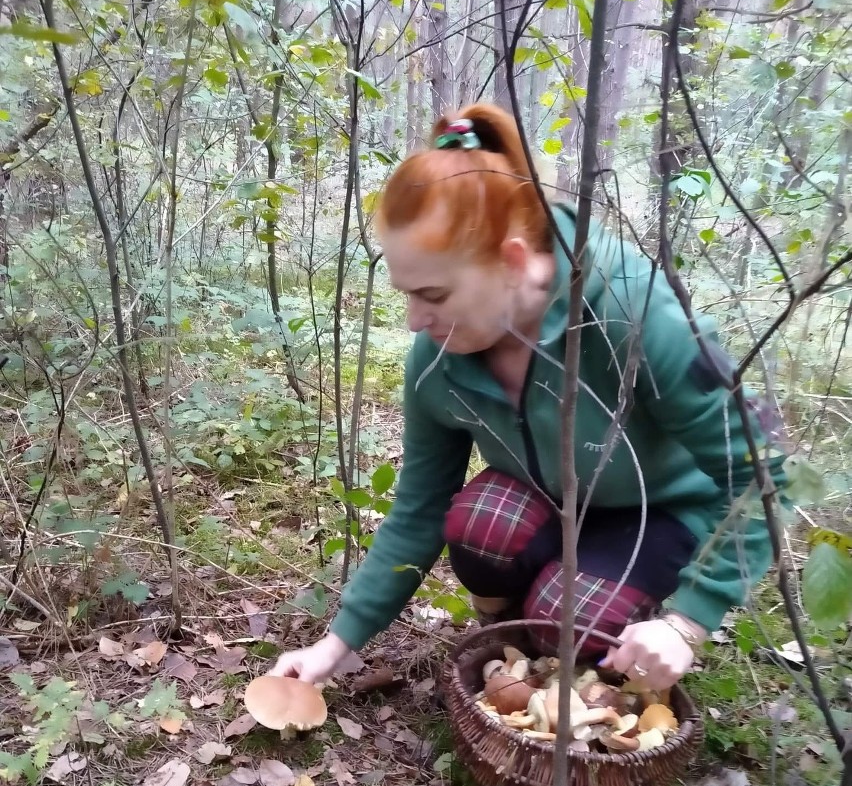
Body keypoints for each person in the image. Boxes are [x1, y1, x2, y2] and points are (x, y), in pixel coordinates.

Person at [269, 103, 787, 693]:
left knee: (577, 620)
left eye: (433, 293)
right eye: (406, 294)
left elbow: (760, 472)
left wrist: (688, 622)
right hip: (545, 509)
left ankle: (598, 620)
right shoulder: (439, 357)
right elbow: (418, 506)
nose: (415, 320)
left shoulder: (633, 313)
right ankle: (518, 629)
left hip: (658, 513)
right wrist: (336, 645)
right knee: (480, 522)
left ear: (513, 261)